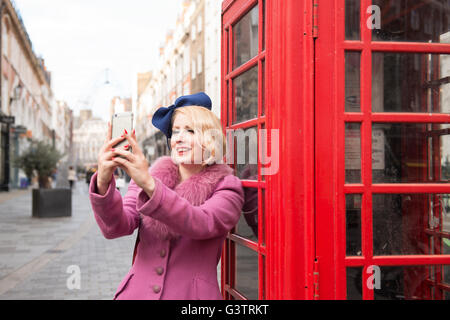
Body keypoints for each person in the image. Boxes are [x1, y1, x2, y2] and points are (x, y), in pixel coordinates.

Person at [88, 92, 244, 300]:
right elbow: (116, 227)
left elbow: (202, 223)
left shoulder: (227, 186)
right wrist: (103, 181)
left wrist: (150, 186)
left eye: (190, 130)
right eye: (175, 131)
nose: (178, 138)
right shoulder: (149, 177)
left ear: (211, 138)